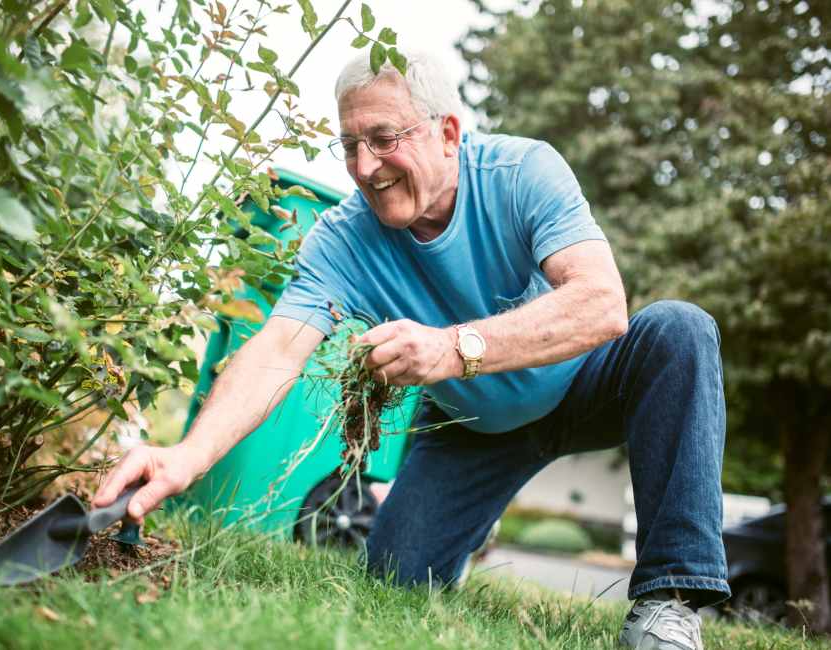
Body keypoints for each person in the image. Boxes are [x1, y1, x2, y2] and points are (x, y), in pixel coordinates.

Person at [94, 50, 729, 649]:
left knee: (680, 329)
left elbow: (601, 303)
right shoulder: (342, 239)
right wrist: (188, 456)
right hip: (470, 424)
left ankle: (668, 600)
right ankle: (460, 537)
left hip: (585, 384)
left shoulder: (521, 173)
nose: (365, 167)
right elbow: (279, 348)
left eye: (384, 139)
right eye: (349, 145)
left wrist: (455, 348)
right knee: (394, 579)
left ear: (448, 133)